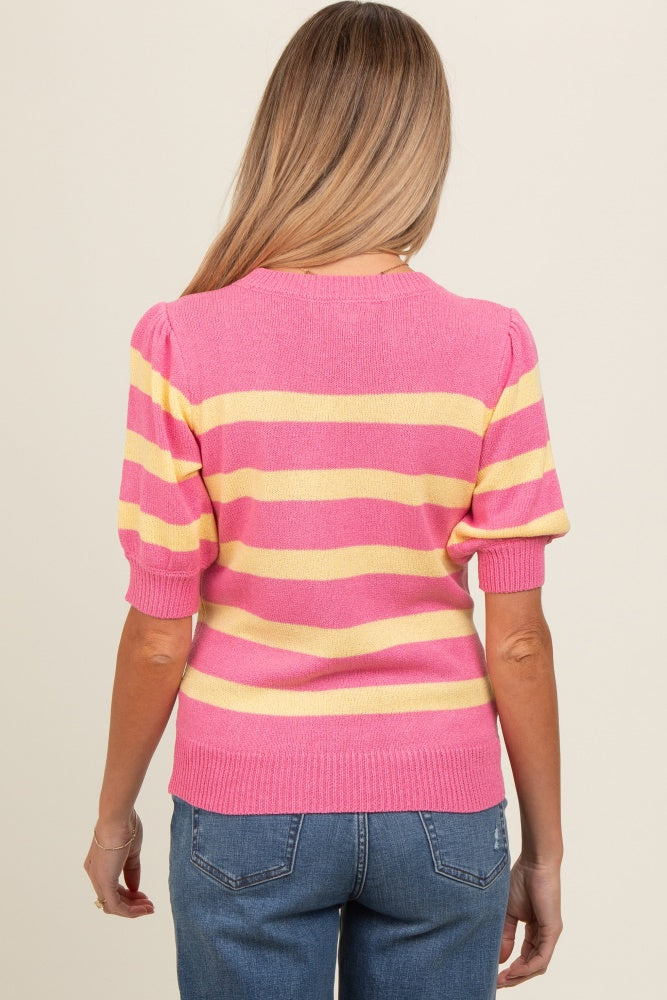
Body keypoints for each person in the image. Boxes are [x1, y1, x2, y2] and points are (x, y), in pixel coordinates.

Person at [82, 3, 570, 997]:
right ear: (421, 150)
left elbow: (158, 636)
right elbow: (516, 641)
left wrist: (112, 812)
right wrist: (544, 850)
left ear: (283, 140)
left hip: (244, 801)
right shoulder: (493, 347)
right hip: (444, 811)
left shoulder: (179, 340)